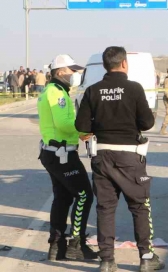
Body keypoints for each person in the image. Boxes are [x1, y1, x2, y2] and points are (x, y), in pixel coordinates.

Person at [76, 46, 163, 272]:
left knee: (105, 208)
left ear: (105, 65)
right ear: (124, 64)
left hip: (102, 155)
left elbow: (81, 126)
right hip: (129, 156)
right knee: (139, 206)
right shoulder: (134, 88)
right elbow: (147, 123)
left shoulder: (93, 90)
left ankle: (107, 261)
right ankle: (146, 258)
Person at [37, 55, 97, 261]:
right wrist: (85, 129)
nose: (75, 75)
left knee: (62, 198)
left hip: (53, 152)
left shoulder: (53, 90)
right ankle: (76, 244)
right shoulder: (56, 93)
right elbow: (63, 123)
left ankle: (57, 246)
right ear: (60, 72)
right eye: (72, 71)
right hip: (62, 154)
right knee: (84, 195)